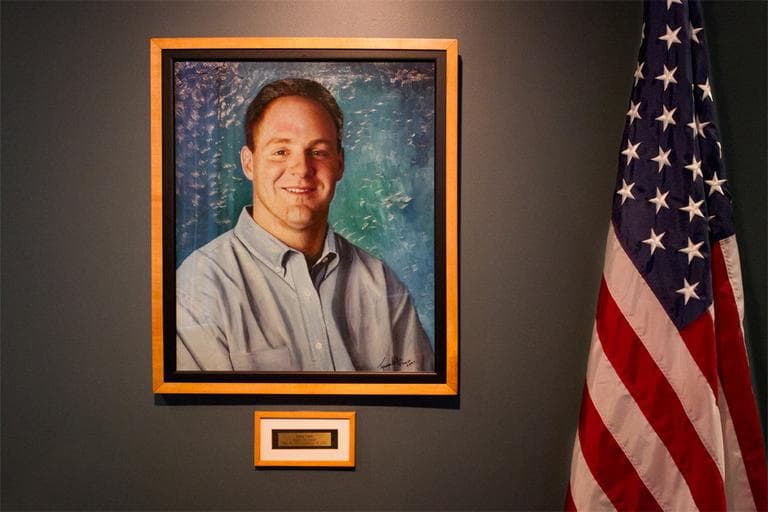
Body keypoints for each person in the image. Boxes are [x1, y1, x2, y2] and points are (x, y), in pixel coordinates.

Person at [176, 78, 434, 372]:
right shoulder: (198, 288)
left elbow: (416, 408)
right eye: (281, 151)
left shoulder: (381, 282)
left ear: (339, 164)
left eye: (318, 152)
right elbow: (210, 417)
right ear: (249, 163)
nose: (302, 169)